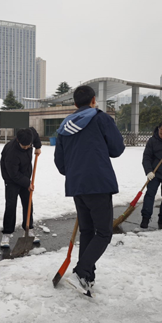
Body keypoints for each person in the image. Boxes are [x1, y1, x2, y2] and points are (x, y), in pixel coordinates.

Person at [54, 85, 125, 296]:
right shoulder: (101, 119)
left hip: (77, 185)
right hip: (99, 182)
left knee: (87, 230)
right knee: (103, 232)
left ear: (75, 103)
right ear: (94, 100)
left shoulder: (65, 125)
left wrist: (76, 171)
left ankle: (86, 276)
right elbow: (117, 149)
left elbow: (60, 164)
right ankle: (81, 271)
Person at [0, 127, 42, 249]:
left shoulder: (29, 135)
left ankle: (29, 229)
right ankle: (7, 233)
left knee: (28, 203)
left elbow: (35, 133)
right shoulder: (11, 152)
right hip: (11, 179)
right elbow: (13, 174)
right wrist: (27, 183)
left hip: (25, 174)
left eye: (29, 146)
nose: (27, 148)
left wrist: (37, 146)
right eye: (24, 147)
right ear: (18, 141)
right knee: (11, 205)